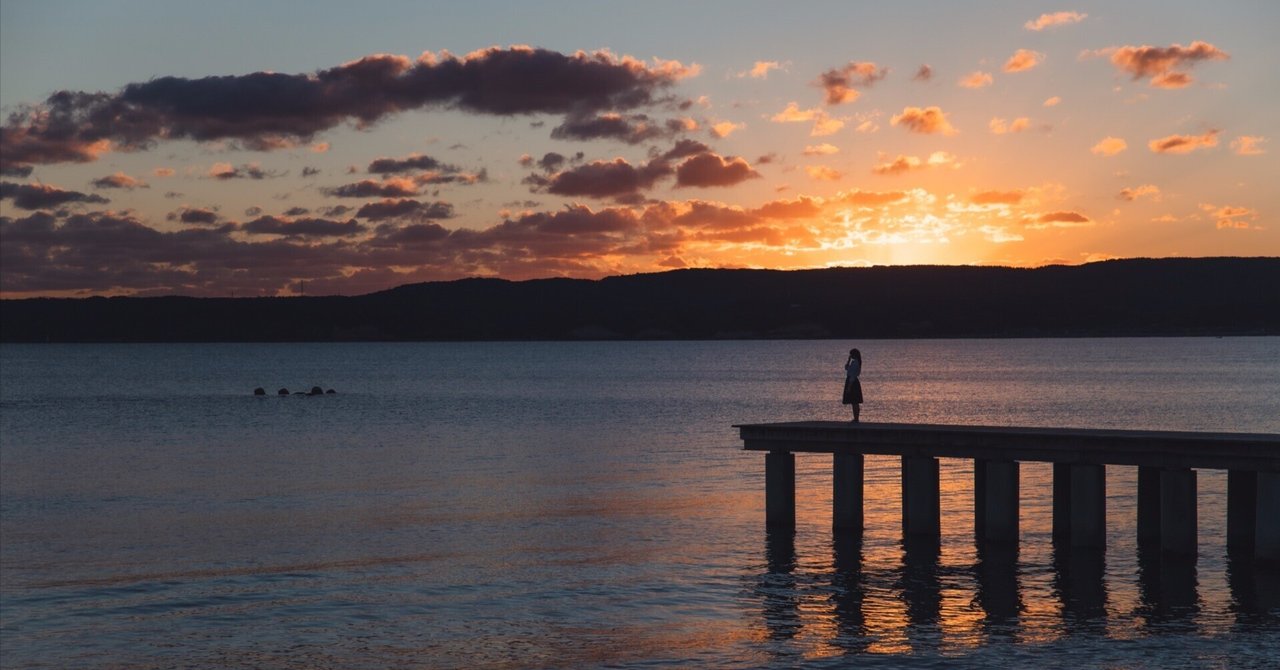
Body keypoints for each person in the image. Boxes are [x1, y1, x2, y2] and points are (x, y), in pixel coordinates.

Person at [842, 348, 863, 423]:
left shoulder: (855, 363)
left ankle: (856, 418)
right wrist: (848, 360)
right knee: (854, 401)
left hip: (852, 382)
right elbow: (846, 368)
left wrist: (849, 386)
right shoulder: (854, 362)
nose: (850, 355)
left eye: (851, 354)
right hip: (852, 381)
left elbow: (853, 375)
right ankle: (856, 418)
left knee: (855, 401)